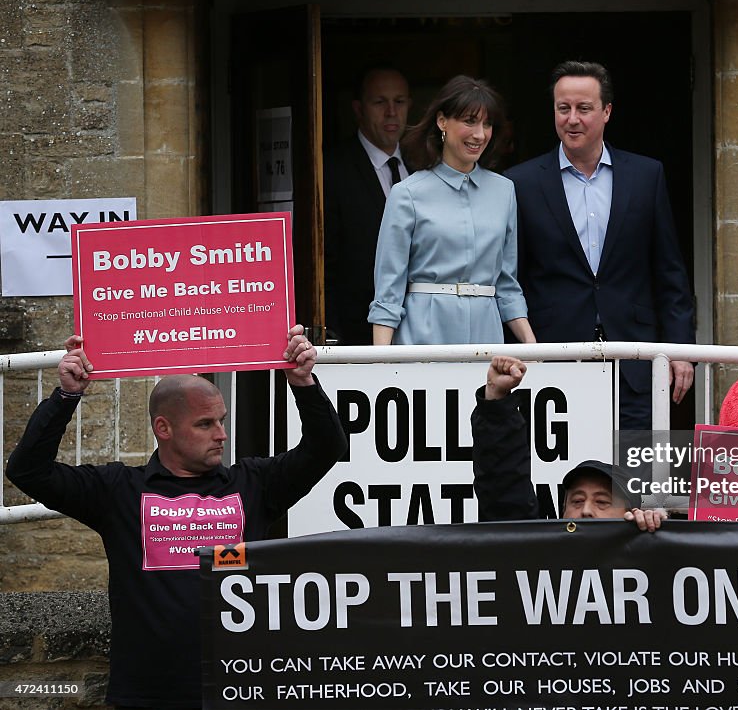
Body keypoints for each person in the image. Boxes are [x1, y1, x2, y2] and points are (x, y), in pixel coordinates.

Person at [5, 326, 346, 709]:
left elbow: (326, 448)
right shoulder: (118, 490)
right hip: (149, 695)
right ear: (163, 428)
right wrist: (67, 395)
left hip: (241, 687)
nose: (221, 434)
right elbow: (27, 471)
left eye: (222, 420)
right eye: (205, 424)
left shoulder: (254, 484)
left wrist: (302, 382)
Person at [505, 60, 695, 430]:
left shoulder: (646, 175)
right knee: (562, 482)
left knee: (633, 476)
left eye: (584, 108)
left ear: (607, 111)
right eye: (563, 109)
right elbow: (515, 275)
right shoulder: (521, 183)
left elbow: (668, 270)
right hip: (554, 360)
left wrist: (681, 350)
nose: (572, 119)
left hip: (634, 360)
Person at [369, 75, 536, 346]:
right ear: (442, 121)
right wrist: (382, 363)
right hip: (423, 334)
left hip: (486, 335)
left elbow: (507, 284)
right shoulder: (407, 193)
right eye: (469, 121)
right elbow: (388, 289)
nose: (480, 134)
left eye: (487, 123)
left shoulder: (504, 191)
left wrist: (532, 347)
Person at [472, 356, 665, 532]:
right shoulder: (537, 552)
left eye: (602, 502)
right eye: (577, 501)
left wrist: (653, 534)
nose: (586, 511)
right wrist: (497, 401)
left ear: (630, 513)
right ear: (563, 512)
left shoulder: (644, 554)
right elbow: (504, 488)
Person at [324, 65, 411, 344]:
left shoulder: (425, 163)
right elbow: (327, 263)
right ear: (359, 109)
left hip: (420, 330)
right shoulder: (332, 169)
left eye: (399, 102)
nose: (391, 112)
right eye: (379, 102)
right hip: (357, 333)